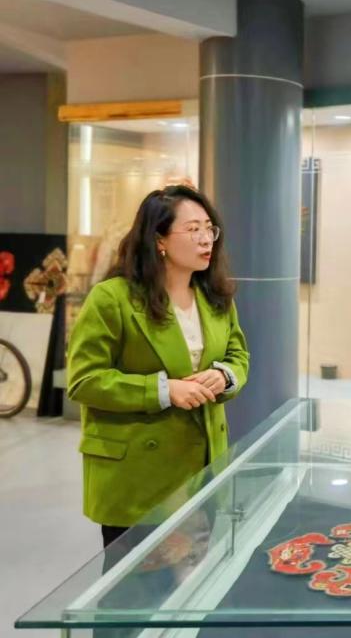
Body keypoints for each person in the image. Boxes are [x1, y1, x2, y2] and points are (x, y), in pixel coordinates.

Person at [67, 185, 249, 549]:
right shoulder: (113, 299)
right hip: (138, 475)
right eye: (193, 229)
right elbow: (84, 380)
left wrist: (225, 376)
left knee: (198, 577)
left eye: (209, 229)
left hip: (203, 468)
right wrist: (164, 390)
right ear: (159, 239)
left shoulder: (215, 297)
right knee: (138, 581)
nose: (206, 239)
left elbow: (237, 355)